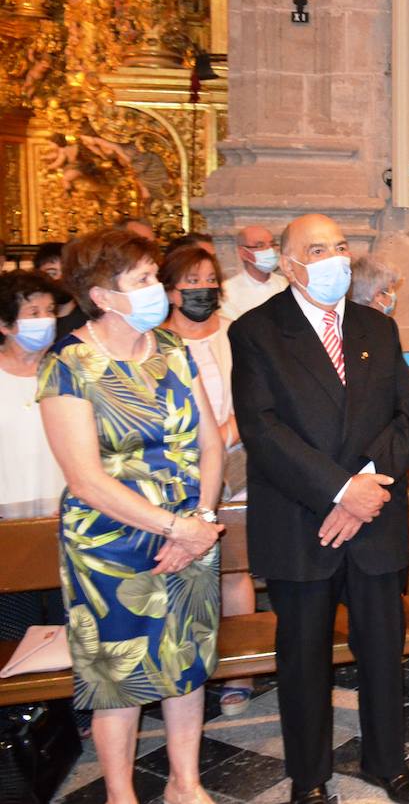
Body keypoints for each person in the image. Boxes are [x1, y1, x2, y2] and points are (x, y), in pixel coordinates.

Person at [229, 214, 409, 804]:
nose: (336, 257)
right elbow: (263, 432)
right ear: (289, 265)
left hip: (374, 517)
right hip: (301, 519)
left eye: (341, 246)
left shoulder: (377, 327)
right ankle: (309, 777)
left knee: (382, 648)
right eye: (319, 249)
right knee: (304, 656)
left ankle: (386, 761)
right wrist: (340, 492)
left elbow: (407, 417)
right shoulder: (256, 332)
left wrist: (362, 490)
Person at [38, 228, 224, 804]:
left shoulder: (172, 350)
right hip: (110, 544)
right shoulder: (69, 363)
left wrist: (202, 519)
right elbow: (86, 478)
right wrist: (177, 528)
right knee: (117, 677)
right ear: (102, 294)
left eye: (154, 278)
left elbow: (211, 443)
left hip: (190, 534)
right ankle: (121, 794)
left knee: (184, 660)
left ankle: (184, 782)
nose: (157, 291)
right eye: (143, 280)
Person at [158, 246, 256, 716]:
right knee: (182, 571)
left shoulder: (235, 334)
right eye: (191, 281)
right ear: (171, 290)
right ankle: (186, 666)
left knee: (233, 566)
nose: (203, 289)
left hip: (233, 457)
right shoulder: (153, 341)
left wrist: (218, 438)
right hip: (175, 471)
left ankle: (240, 670)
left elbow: (251, 396)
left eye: (209, 279)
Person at [0, 271, 64, 518]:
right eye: (34, 313)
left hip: (59, 507)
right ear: (6, 324)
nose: (46, 320)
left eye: (50, 311)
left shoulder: (66, 371)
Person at [220, 225, 288, 320]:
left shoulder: (286, 285)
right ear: (243, 253)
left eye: (272, 245)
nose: (270, 250)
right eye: (260, 245)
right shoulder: (227, 291)